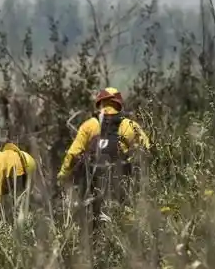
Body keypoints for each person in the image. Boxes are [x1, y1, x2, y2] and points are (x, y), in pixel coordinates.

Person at [57, 87, 150, 223]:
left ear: (99, 103)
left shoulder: (89, 125)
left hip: (92, 186)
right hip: (120, 184)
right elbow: (147, 150)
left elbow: (72, 154)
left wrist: (62, 176)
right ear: (119, 104)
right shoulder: (130, 125)